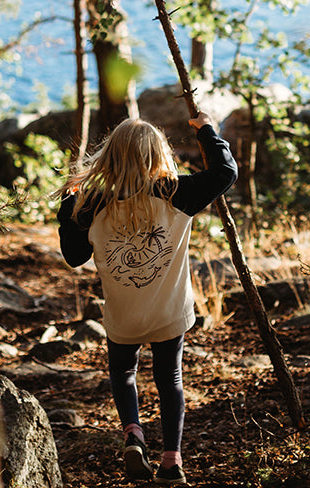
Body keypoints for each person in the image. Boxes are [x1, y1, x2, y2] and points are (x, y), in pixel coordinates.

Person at [57, 113, 237, 485]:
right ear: (157, 155)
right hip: (169, 313)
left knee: (123, 372)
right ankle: (171, 462)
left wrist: (67, 210)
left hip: (124, 317)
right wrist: (206, 130)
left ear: (111, 157)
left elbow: (74, 257)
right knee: (169, 377)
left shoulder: (92, 205)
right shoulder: (175, 193)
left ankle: (133, 434)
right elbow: (226, 172)